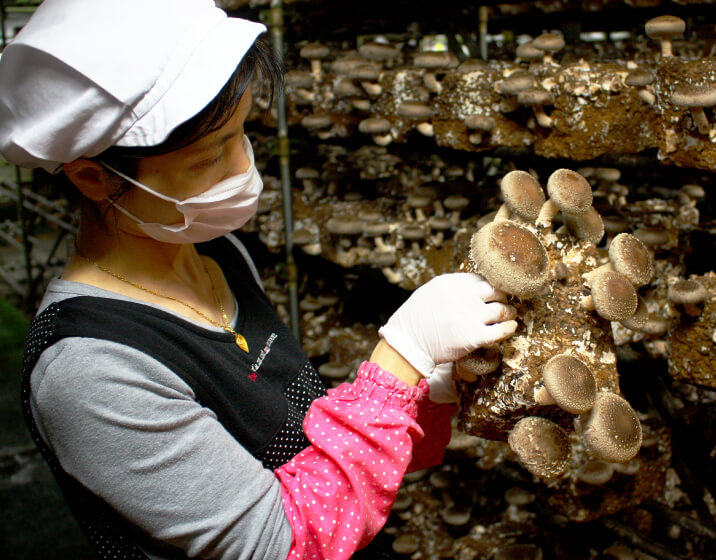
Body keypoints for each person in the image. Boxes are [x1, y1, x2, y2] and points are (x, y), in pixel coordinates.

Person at [0, 1, 517, 559]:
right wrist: (400, 357)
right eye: (209, 156)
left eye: (241, 133)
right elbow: (280, 544)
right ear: (94, 177)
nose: (244, 167)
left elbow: (296, 439)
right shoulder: (89, 369)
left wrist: (420, 391)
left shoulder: (217, 255)